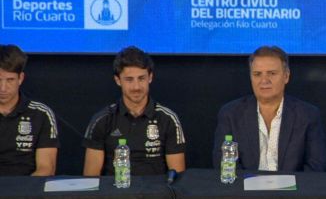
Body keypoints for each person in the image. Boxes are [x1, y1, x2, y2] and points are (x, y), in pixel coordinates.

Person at [212, 46, 326, 172]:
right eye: (257, 74)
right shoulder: (231, 113)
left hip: (293, 190)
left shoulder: (307, 115)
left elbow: (316, 165)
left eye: (272, 73)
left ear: (286, 76)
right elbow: (223, 162)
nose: (264, 80)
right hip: (245, 189)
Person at [83, 46, 186, 177]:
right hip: (114, 194)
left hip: (156, 196)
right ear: (117, 80)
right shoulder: (101, 120)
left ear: (150, 77)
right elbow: (90, 180)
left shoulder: (168, 119)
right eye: (129, 79)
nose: (136, 87)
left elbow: (177, 179)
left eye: (141, 78)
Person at [0, 45, 58, 176]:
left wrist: (20, 193)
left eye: (10, 80)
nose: (3, 88)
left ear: (20, 78)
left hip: (26, 191)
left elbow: (46, 168)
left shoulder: (41, 114)